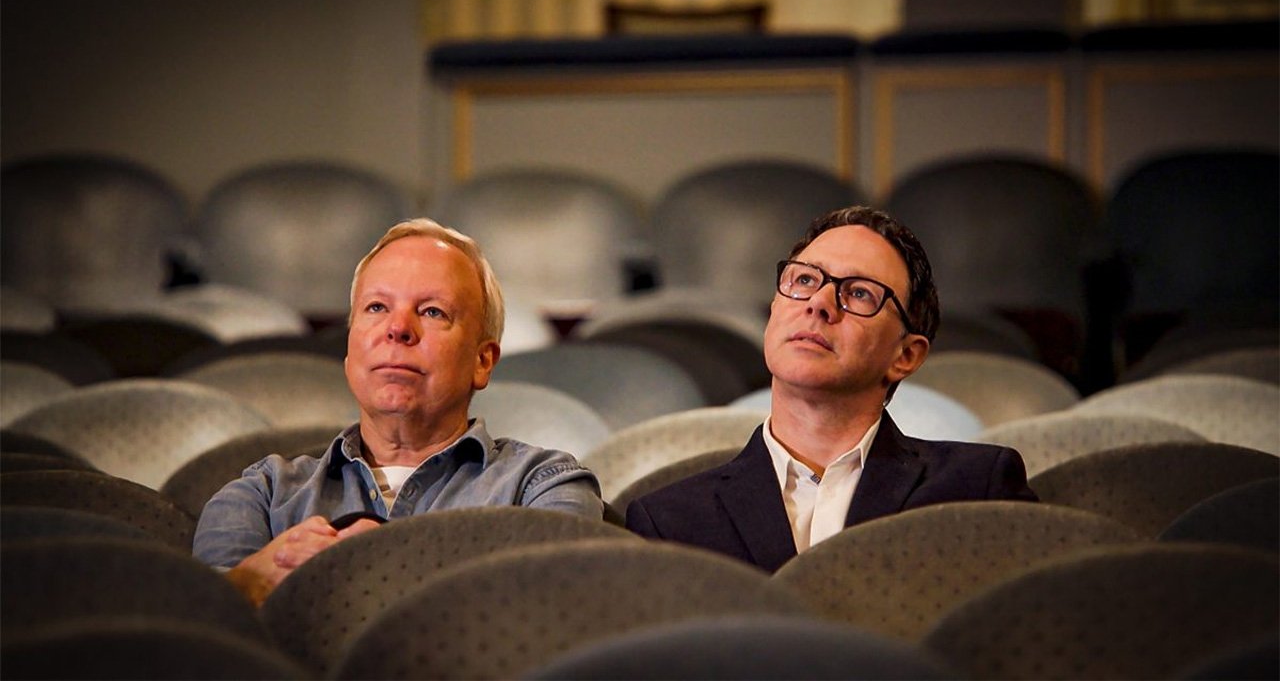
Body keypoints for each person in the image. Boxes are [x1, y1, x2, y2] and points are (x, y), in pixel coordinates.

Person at [194, 218, 603, 605]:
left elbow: (550, 617)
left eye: (432, 311)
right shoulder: (261, 495)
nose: (398, 328)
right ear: (350, 349)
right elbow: (199, 635)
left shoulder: (543, 487)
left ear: (482, 361)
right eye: (376, 307)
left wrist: (378, 567)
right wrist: (246, 586)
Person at [625, 206, 1037, 572]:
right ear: (774, 311)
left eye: (858, 293)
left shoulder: (977, 487)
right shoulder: (668, 520)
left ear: (906, 355)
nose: (819, 303)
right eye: (804, 279)